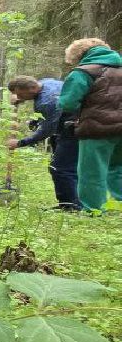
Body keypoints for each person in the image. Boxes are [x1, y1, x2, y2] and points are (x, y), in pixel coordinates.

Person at [57, 38, 122, 213]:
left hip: (96, 129)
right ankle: (119, 206)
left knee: (92, 173)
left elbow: (68, 103)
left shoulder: (83, 72)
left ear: (79, 55)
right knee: (118, 168)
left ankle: (94, 210)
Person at [5, 75, 79, 211]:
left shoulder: (47, 101)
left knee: (60, 168)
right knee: (70, 167)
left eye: (20, 94)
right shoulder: (46, 82)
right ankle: (73, 203)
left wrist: (20, 142)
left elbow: (47, 130)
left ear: (32, 88)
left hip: (72, 130)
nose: (19, 97)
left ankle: (70, 206)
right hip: (70, 126)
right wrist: (20, 99)